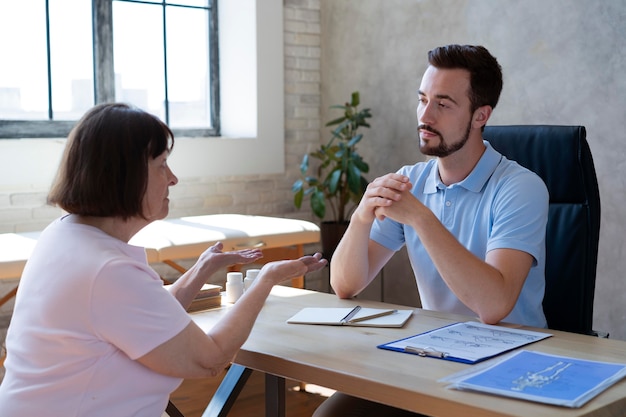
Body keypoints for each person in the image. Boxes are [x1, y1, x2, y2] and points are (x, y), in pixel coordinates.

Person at [0, 103, 327, 416]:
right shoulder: (107, 270)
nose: (172, 178)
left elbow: (141, 317)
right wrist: (266, 280)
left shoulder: (64, 234)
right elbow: (208, 359)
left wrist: (202, 268)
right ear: (126, 176)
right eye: (161, 165)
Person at [313, 44, 549, 417]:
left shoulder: (520, 187)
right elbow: (345, 285)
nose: (425, 115)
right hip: (437, 357)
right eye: (422, 100)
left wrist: (422, 219)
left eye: (443, 104)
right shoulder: (411, 181)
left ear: (480, 115)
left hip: (512, 368)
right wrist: (361, 216)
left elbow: (494, 305)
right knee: (332, 415)